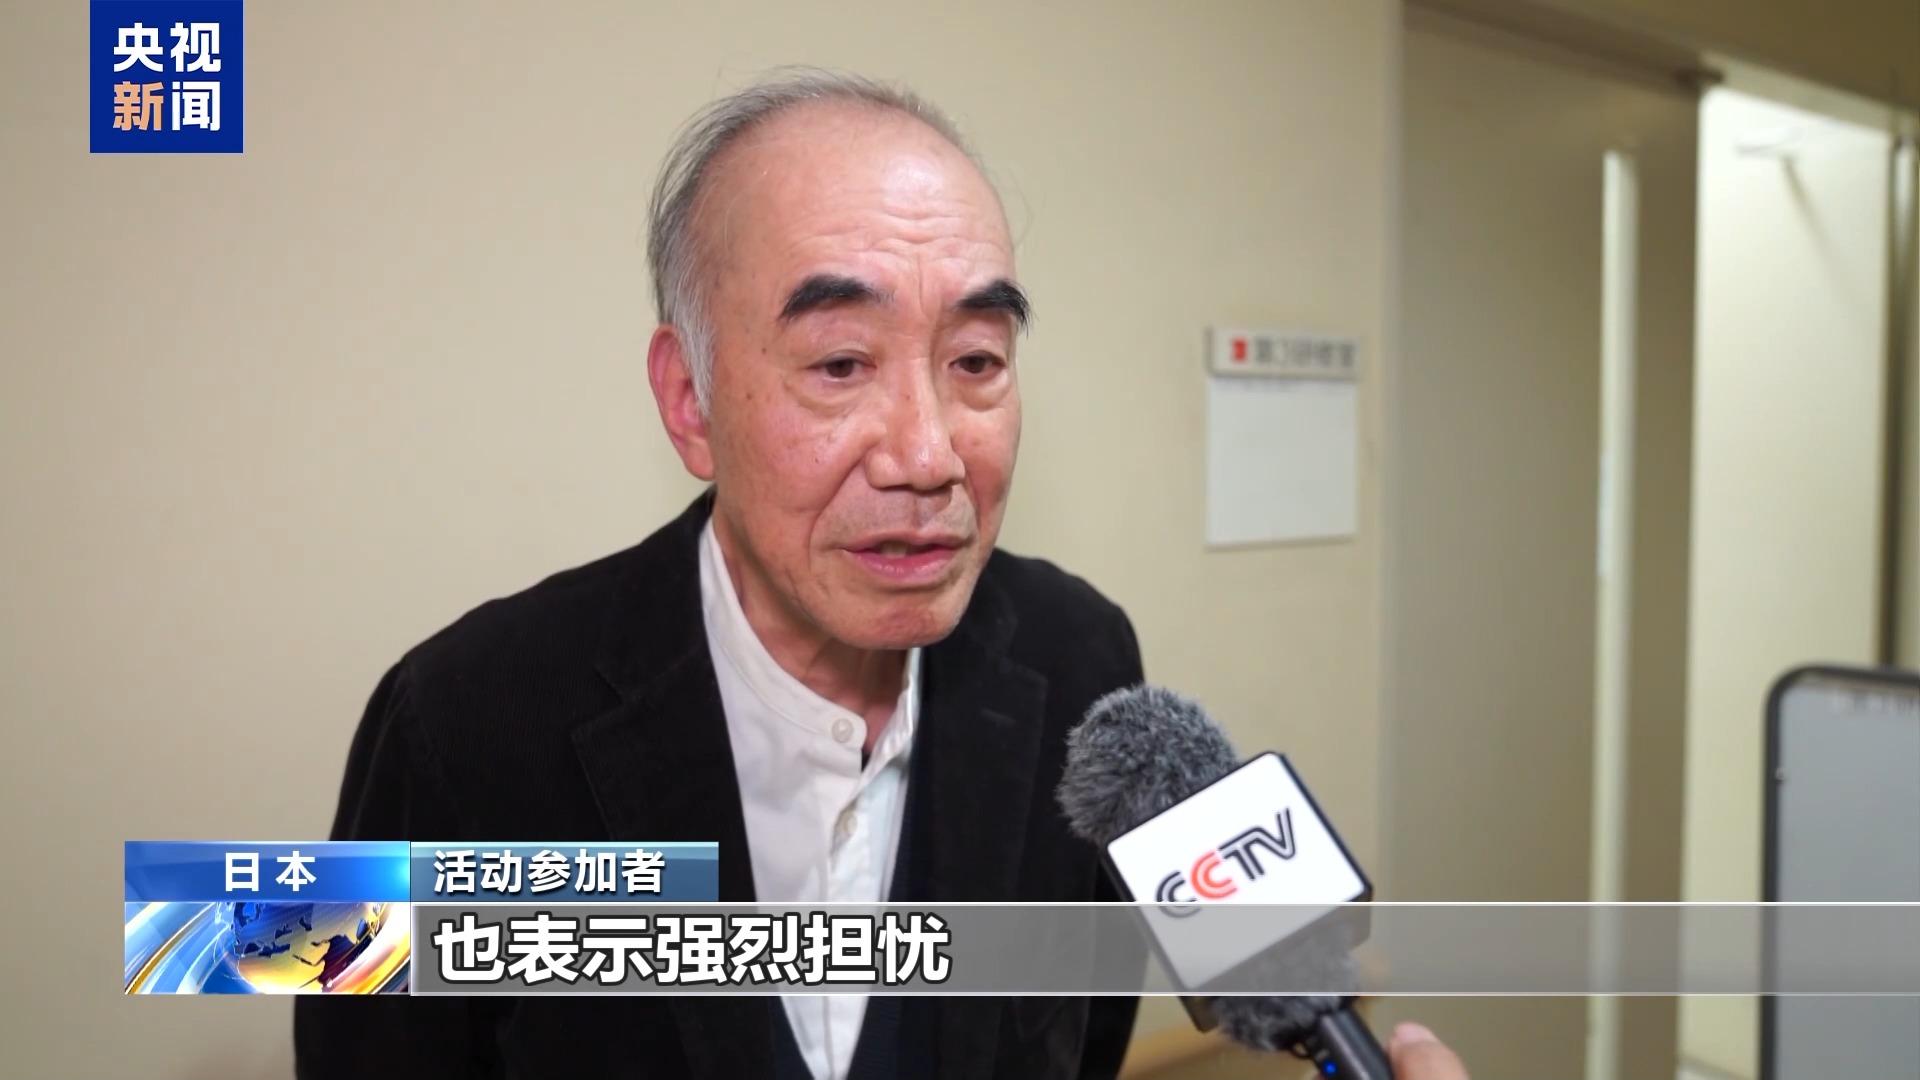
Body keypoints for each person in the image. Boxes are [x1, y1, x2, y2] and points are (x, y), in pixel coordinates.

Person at [294, 68, 1471, 1080]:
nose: (928, 456)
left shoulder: (1080, 660)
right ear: (689, 400)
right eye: (841, 362)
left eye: (976, 360)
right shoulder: (456, 721)